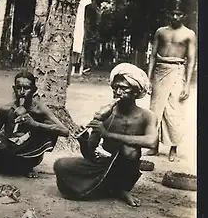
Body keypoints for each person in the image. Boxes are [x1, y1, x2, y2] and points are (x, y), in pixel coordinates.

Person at [53, 63, 157, 207]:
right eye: (115, 88)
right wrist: (84, 141)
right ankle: (109, 188)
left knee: (130, 151)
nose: (118, 92)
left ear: (135, 91)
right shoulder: (107, 114)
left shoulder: (147, 116)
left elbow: (151, 141)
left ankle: (122, 189)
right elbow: (90, 155)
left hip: (125, 168)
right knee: (60, 164)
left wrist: (107, 134)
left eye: (123, 88)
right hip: (102, 164)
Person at [0, 70, 70, 178]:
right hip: (9, 149)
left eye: (26, 88)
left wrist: (35, 124)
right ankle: (3, 165)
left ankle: (26, 167)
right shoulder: (6, 109)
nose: (22, 92)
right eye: (18, 87)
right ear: (14, 88)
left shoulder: (39, 109)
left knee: (50, 130)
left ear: (34, 90)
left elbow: (65, 131)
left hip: (30, 154)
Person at [146, 0, 196, 162]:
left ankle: (173, 147)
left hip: (177, 71)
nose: (175, 16)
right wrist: (149, 78)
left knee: (175, 110)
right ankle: (153, 145)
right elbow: (153, 55)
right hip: (160, 70)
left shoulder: (189, 34)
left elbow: (191, 59)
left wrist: (187, 85)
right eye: (173, 13)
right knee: (155, 109)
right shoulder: (161, 32)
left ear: (184, 16)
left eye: (178, 14)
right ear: (169, 14)